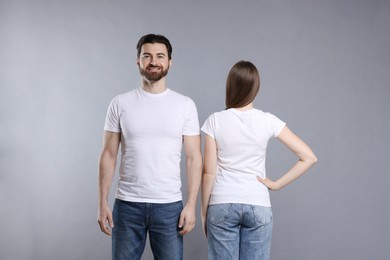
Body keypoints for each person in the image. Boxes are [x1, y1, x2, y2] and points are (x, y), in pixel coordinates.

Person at [97, 34, 202, 260]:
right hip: (126, 206)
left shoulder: (185, 105)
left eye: (160, 56)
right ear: (138, 61)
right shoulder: (120, 103)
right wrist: (102, 203)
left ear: (169, 63)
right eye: (147, 56)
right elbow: (108, 154)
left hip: (169, 207)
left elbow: (194, 157)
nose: (154, 61)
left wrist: (191, 205)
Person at [201, 60, 318, 260]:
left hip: (222, 202)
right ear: (256, 88)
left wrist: (204, 213)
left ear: (230, 86)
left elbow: (209, 172)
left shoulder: (215, 120)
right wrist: (275, 184)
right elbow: (308, 157)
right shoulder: (268, 120)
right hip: (258, 203)